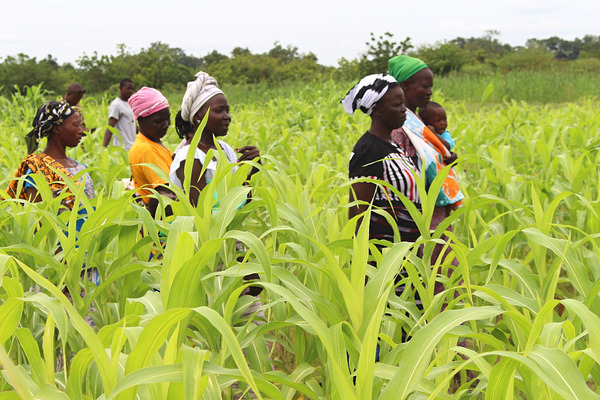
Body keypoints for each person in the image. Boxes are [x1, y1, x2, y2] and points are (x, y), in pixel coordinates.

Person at [388, 55, 463, 267]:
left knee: (442, 268)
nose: (430, 91)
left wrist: (445, 160)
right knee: (429, 269)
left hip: (434, 212)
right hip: (419, 216)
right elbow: (400, 173)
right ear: (404, 86)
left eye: (431, 86)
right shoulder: (399, 128)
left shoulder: (418, 121)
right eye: (425, 86)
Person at [343, 73, 421, 244]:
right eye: (397, 104)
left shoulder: (393, 144)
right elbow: (358, 211)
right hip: (385, 252)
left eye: (403, 103)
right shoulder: (368, 150)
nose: (404, 109)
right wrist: (362, 255)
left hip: (406, 250)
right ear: (377, 110)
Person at [170, 71, 260, 206]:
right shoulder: (190, 157)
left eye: (227, 110)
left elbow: (244, 201)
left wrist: (254, 168)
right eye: (219, 111)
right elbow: (202, 213)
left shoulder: (225, 149)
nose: (227, 116)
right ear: (197, 116)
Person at [8, 100, 94, 207]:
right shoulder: (39, 170)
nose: (81, 131)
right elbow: (37, 215)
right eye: (76, 125)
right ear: (57, 129)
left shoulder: (79, 166)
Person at [127, 87, 175, 213]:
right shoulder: (146, 149)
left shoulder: (153, 142)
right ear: (141, 120)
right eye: (159, 121)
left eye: (168, 118)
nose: (166, 124)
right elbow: (165, 196)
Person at [103, 78, 136, 150]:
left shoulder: (130, 104)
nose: (131, 91)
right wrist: (104, 149)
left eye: (132, 89)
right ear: (121, 88)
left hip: (133, 147)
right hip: (122, 149)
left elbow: (133, 125)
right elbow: (110, 128)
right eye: (128, 88)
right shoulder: (116, 105)